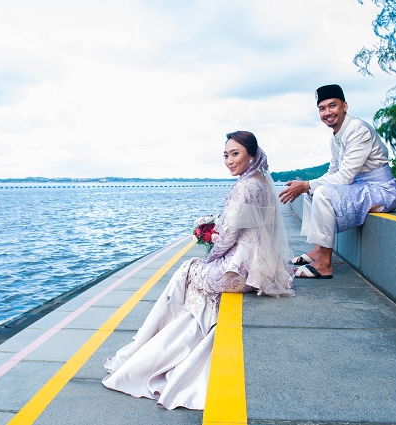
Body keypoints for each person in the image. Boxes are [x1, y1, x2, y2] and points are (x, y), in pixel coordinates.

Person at [102, 131, 294, 410]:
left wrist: (210, 257)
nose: (229, 160)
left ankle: (149, 348)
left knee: (186, 271)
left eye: (235, 153)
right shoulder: (262, 182)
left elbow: (228, 235)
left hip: (238, 272)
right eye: (226, 155)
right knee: (192, 278)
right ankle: (164, 342)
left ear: (252, 155)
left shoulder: (244, 187)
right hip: (260, 268)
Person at [278, 84, 396, 278]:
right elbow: (333, 172)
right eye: (322, 108)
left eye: (332, 106)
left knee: (322, 191)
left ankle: (325, 264)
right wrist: (306, 187)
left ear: (345, 106)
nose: (327, 112)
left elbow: (345, 176)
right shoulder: (335, 137)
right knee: (312, 191)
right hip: (359, 186)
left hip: (381, 190)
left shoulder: (358, 130)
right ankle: (318, 251)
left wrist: (306, 184)